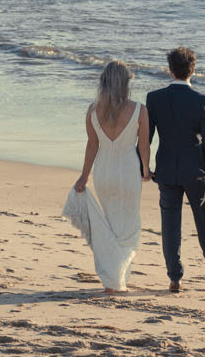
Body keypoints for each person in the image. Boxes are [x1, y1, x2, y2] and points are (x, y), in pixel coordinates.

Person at [146, 47, 205, 293]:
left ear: (170, 70)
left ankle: (175, 277)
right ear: (192, 70)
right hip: (195, 171)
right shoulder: (200, 101)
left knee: (169, 222)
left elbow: (145, 137)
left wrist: (143, 166)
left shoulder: (154, 98)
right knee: (203, 218)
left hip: (165, 168)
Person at [61, 60, 151, 292]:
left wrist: (84, 177)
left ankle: (115, 277)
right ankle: (115, 279)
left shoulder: (93, 111)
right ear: (126, 84)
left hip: (104, 172)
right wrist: (146, 169)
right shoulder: (140, 110)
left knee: (109, 225)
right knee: (128, 228)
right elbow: (144, 147)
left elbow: (92, 146)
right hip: (128, 170)